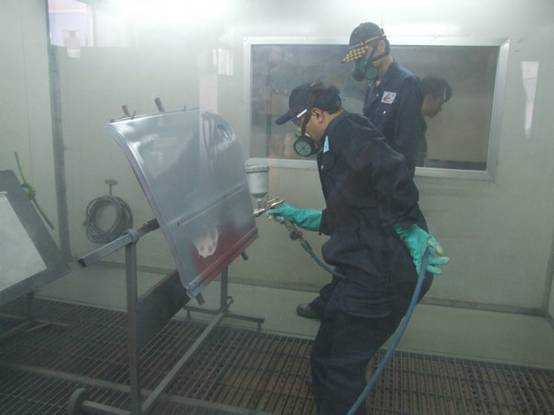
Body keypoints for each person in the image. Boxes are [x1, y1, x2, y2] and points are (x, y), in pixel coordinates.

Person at [269, 82, 449, 415]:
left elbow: (392, 169)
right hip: (365, 267)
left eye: (299, 122)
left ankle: (336, 401)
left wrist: (409, 224)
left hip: (381, 274)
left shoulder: (346, 131)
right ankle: (326, 395)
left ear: (317, 115)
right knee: (328, 346)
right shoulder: (338, 139)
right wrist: (301, 216)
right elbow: (352, 209)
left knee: (341, 367)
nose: (299, 132)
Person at [296, 23, 445, 320]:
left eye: (361, 54)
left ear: (380, 45)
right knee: (351, 245)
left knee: (366, 251)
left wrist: (398, 204)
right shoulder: (375, 86)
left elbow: (405, 149)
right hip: (366, 180)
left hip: (384, 184)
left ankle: (358, 309)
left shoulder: (406, 84)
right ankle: (334, 302)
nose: (360, 64)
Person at [417, 76, 453, 164]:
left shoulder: (418, 124)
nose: (440, 109)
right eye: (440, 103)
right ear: (429, 98)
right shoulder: (410, 125)